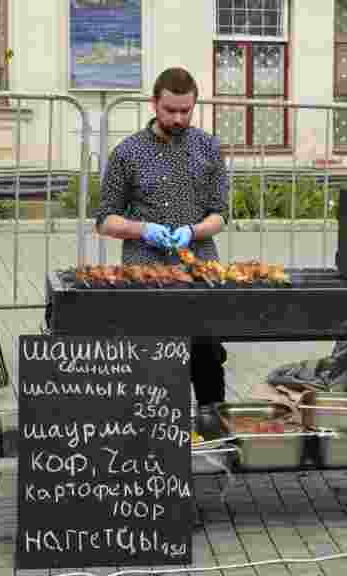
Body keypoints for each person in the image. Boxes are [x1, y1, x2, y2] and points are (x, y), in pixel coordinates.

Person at [92, 66, 230, 409]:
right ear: (154, 104)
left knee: (207, 355)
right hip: (145, 271)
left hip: (199, 270)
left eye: (186, 110)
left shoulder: (209, 148)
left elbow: (221, 214)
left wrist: (193, 232)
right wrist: (144, 230)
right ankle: (154, 441)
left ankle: (213, 430)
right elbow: (105, 220)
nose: (179, 118)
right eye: (171, 110)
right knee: (153, 361)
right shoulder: (127, 152)